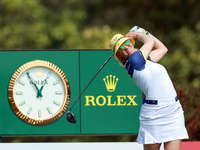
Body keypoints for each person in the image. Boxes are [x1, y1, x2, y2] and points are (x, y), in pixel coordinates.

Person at [109, 26, 189, 150]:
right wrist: (137, 35)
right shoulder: (134, 62)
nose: (126, 46)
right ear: (119, 56)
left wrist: (144, 32)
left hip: (173, 111)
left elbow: (163, 49)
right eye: (121, 47)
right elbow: (150, 42)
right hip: (153, 115)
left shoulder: (146, 61)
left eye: (126, 42)